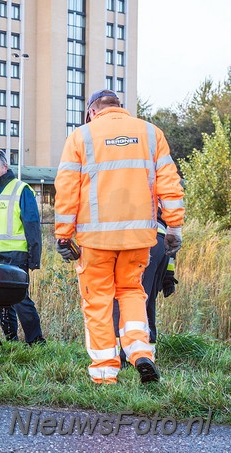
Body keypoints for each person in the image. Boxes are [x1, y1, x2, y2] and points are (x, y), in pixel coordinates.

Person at [54, 89, 184, 384]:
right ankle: (141, 354)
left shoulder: (81, 137)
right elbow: (170, 183)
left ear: (91, 112)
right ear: (120, 107)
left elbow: (66, 191)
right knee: (132, 293)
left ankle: (105, 373)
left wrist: (63, 235)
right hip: (139, 238)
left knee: (98, 300)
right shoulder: (151, 133)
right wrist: (174, 227)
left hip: (95, 241)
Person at [0, 149, 46, 345]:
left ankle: (36, 341)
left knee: (21, 300)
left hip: (16, 255)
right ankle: (11, 340)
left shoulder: (21, 190)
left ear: (5, 167)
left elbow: (32, 225)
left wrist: (34, 257)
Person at [112, 210, 178, 367]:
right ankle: (148, 349)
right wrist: (168, 275)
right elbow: (173, 242)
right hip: (162, 242)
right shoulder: (165, 189)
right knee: (146, 300)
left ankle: (125, 356)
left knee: (129, 298)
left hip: (141, 238)